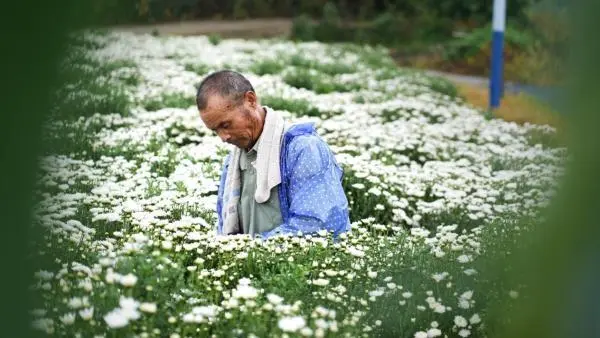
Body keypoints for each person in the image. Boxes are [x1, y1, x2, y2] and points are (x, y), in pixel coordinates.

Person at [195, 70, 351, 239]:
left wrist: (251, 252)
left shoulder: (303, 149)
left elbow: (317, 225)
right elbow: (223, 227)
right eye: (215, 131)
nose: (223, 138)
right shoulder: (231, 162)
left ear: (250, 100)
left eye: (225, 125)